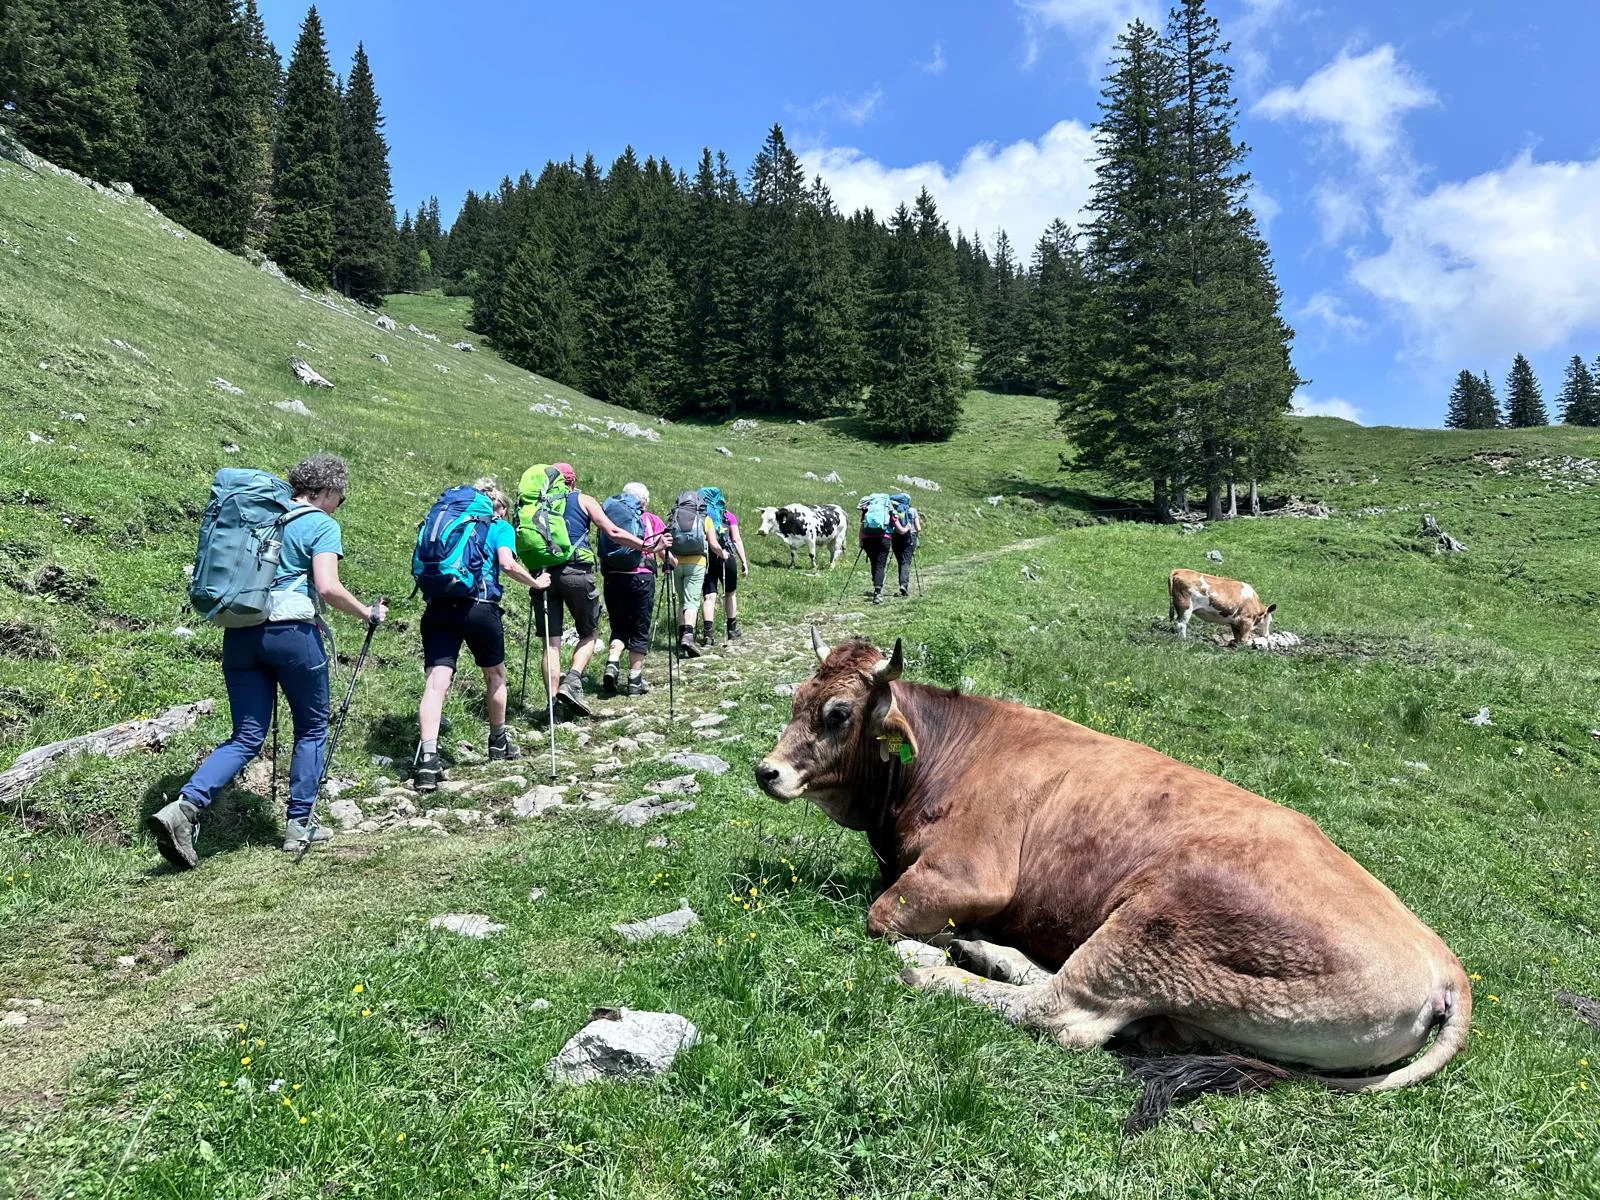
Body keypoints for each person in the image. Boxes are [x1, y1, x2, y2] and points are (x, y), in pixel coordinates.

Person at [147, 453, 388, 868]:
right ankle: (299, 826)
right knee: (311, 728)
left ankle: (183, 809)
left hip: (240, 632)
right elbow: (328, 588)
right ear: (326, 491)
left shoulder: (260, 515)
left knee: (245, 736)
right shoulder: (321, 523)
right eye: (339, 497)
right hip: (291, 634)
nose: (338, 505)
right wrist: (367, 612)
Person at [413, 479, 545, 793]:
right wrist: (536, 583)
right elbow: (507, 563)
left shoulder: (449, 522)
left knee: (436, 682)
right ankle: (498, 740)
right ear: (498, 508)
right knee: (495, 675)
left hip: (438, 607)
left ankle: (428, 758)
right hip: (479, 607)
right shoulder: (499, 527)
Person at [533, 462, 645, 718]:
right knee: (589, 633)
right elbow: (613, 531)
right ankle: (572, 681)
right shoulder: (583, 499)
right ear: (572, 482)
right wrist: (646, 546)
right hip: (577, 573)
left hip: (542, 575)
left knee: (551, 645)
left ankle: (553, 708)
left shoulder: (537, 503)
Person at [600, 483, 670, 697]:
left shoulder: (609, 515)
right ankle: (634, 680)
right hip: (642, 577)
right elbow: (661, 549)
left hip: (613, 577)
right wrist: (671, 563)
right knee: (639, 628)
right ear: (644, 502)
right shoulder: (651, 520)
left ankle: (612, 663)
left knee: (619, 626)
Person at [667, 490, 725, 658]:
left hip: (676, 563)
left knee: (681, 601)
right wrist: (724, 554)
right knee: (692, 602)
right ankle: (688, 636)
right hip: (697, 563)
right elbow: (713, 545)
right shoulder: (705, 519)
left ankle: (680, 637)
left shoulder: (673, 517)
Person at [698, 489, 749, 645]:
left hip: (706, 558)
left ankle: (708, 634)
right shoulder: (728, 516)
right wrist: (744, 561)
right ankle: (732, 630)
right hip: (726, 557)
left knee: (709, 596)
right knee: (730, 593)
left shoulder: (700, 517)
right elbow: (737, 540)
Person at [858, 493, 893, 606]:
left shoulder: (867, 508)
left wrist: (861, 541)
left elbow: (862, 525)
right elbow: (893, 522)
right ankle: (878, 592)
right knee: (880, 564)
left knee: (874, 562)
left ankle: (875, 582)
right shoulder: (887, 507)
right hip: (884, 538)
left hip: (868, 539)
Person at [889, 492, 921, 598]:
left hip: (896, 537)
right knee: (906, 562)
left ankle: (902, 584)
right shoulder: (912, 511)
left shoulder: (893, 511)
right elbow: (918, 528)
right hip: (910, 537)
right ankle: (904, 585)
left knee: (900, 562)